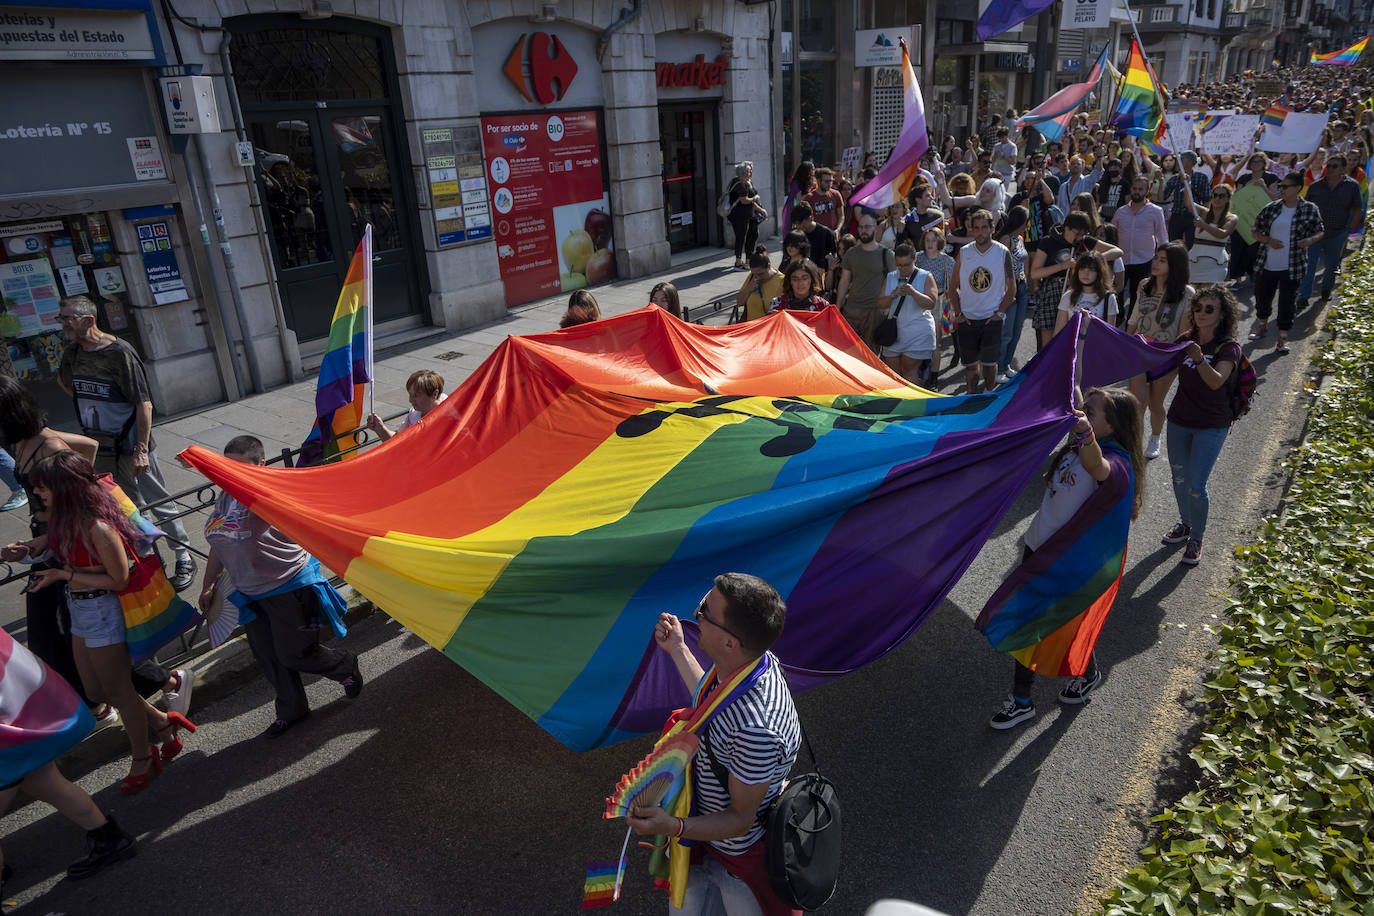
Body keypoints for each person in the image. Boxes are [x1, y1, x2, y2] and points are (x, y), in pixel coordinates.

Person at [0, 377, 191, 733]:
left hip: (67, 546)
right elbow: (88, 445)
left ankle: (148, 697)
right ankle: (144, 705)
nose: (40, 491)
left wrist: (64, 522)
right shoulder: (24, 441)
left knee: (75, 639)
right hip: (50, 542)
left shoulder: (47, 444)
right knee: (65, 639)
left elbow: (83, 470)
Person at [10, 451, 196, 794]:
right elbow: (64, 550)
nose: (39, 494)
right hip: (80, 611)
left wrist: (62, 573)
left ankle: (143, 756)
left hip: (102, 612)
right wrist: (28, 549)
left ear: (65, 488)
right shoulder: (66, 521)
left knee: (119, 692)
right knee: (95, 691)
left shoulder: (97, 526)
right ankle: (161, 722)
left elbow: (120, 579)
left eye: (44, 488)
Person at [625, 574, 801, 916]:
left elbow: (739, 820)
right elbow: (712, 709)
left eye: (705, 611)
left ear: (731, 642)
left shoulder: (757, 730)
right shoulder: (749, 667)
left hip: (734, 861)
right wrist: (678, 648)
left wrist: (670, 825)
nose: (696, 615)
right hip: (704, 842)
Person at [980, 387, 1144, 728]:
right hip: (1037, 547)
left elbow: (1096, 465)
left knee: (1032, 622)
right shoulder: (1075, 446)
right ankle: (1089, 671)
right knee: (1059, 622)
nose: (1082, 412)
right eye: (1084, 407)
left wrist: (1084, 433)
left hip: (1064, 561)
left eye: (1092, 412)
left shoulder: (1115, 463)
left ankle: (1022, 701)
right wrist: (1073, 345)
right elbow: (1073, 385)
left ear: (1111, 427)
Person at [198, 436, 362, 739]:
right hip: (249, 592)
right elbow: (218, 542)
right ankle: (292, 710)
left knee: (294, 654)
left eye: (238, 465)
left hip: (287, 586)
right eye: (226, 465)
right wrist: (209, 585)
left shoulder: (266, 489)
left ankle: (345, 664)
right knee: (269, 657)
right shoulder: (224, 496)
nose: (230, 472)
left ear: (260, 465)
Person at [56, 296, 197, 592]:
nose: (63, 324)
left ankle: (183, 554)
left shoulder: (120, 352)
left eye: (68, 318)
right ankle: (147, 561)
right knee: (124, 507)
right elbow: (66, 383)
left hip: (132, 444)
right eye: (62, 318)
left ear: (89, 320)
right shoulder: (72, 353)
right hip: (100, 447)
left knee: (158, 501)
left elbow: (143, 404)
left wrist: (141, 450)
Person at [0, 628, 136, 886]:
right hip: (18, 723)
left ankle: (110, 838)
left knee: (47, 782)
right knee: (47, 783)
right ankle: (109, 837)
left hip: (7, 739)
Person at [1163, 285, 1242, 567]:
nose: (1202, 313)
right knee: (1179, 478)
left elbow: (1215, 381)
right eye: (1198, 307)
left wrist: (1198, 357)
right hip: (1179, 421)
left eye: (1210, 309)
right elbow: (1164, 368)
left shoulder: (1228, 348)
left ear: (1222, 315)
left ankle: (1196, 537)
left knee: (1197, 485)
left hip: (1211, 425)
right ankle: (1185, 524)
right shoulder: (1186, 339)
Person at [1128, 243, 1194, 460]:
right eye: (1156, 258)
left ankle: (1155, 437)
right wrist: (1125, 342)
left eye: (1162, 260)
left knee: (1154, 403)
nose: (1155, 263)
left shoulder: (1187, 293)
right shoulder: (1144, 285)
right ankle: (1134, 443)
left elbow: (1184, 330)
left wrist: (1175, 354)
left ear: (1174, 265)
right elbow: (1135, 317)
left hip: (1166, 355)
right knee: (1136, 403)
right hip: (1139, 350)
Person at [1027, 213, 1124, 350]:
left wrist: (1092, 259)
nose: (1079, 238)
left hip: (1078, 290)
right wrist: (1062, 266)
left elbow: (1118, 251)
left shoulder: (1086, 241)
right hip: (1052, 290)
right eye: (1076, 233)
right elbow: (1034, 273)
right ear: (1066, 228)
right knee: (1048, 340)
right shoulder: (1048, 242)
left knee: (1074, 336)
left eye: (1083, 234)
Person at [1251, 175, 1324, 353]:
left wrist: (1309, 240)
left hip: (1293, 265)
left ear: (1298, 187)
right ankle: (1262, 325)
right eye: (1280, 186)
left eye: (1285, 186)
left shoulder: (1309, 209)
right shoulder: (1272, 207)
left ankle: (1283, 338)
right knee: (1262, 298)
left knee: (1287, 303)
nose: (1281, 190)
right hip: (1267, 263)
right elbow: (1255, 230)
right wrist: (1268, 240)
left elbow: (1320, 230)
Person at [948, 209, 1014, 395]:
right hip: (967, 319)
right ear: (972, 230)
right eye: (976, 228)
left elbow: (1012, 288)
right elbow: (952, 286)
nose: (980, 232)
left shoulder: (1002, 252)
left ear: (992, 228)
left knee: (989, 364)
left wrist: (1000, 313)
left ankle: (987, 395)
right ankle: (971, 399)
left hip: (991, 318)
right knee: (970, 367)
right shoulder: (964, 252)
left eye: (984, 227)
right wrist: (959, 313)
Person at [1299, 151, 1363, 308]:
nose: (1330, 169)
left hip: (1337, 233)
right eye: (1329, 166)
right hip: (1314, 233)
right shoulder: (1315, 186)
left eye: (1335, 166)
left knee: (1332, 267)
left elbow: (1357, 208)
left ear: (1343, 169)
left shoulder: (1352, 186)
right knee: (1309, 265)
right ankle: (1303, 296)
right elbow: (1306, 207)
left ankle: (1326, 291)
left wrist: (1350, 227)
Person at [877, 242, 940, 384]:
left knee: (909, 370)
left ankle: (912, 405)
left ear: (914, 260)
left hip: (917, 332)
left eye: (906, 265)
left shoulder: (925, 276)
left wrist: (913, 293)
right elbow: (880, 303)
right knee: (894, 374)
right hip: (894, 333)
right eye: (899, 265)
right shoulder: (891, 276)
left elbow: (931, 303)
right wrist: (891, 296)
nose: (902, 269)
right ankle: (900, 403)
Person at [1111, 176, 1168, 325]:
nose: (1137, 192)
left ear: (1146, 190)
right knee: (1117, 293)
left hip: (1144, 260)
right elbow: (1111, 236)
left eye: (1140, 189)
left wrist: (1165, 261)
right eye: (1135, 188)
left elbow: (1162, 237)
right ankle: (1116, 322)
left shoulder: (1156, 211)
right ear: (1131, 189)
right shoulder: (1121, 211)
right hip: (1121, 261)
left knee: (1137, 297)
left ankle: (1131, 327)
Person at [835, 211, 894, 350]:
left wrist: (888, 308)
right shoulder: (851, 253)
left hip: (874, 313)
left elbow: (893, 282)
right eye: (861, 227)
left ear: (875, 227)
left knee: (871, 355)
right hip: (851, 311)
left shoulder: (886, 254)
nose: (863, 230)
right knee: (849, 352)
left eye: (867, 227)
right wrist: (838, 306)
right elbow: (844, 281)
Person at [994, 206, 1030, 382]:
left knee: (1017, 329)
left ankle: (1006, 365)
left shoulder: (1020, 238)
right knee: (1006, 331)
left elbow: (1024, 260)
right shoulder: (1006, 239)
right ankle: (998, 368)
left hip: (1022, 284)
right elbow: (999, 266)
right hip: (1010, 287)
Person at [916, 226, 956, 384]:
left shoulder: (948, 261)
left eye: (934, 240)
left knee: (935, 343)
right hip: (919, 303)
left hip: (938, 303)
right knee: (918, 340)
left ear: (939, 241)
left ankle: (933, 379)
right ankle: (919, 372)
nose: (930, 243)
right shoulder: (918, 258)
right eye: (927, 240)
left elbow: (953, 288)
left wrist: (953, 309)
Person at [366, 369, 446, 441]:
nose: (410, 400)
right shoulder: (414, 413)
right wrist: (380, 428)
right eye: (410, 394)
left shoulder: (450, 414)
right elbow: (397, 440)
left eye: (416, 395)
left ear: (435, 394)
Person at [1053, 252, 1119, 336]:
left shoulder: (1109, 298)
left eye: (1091, 270)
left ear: (1099, 273)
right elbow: (1059, 331)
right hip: (1072, 347)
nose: (1086, 274)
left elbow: (1111, 333)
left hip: (1097, 346)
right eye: (1082, 269)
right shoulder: (1068, 296)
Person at [1190, 183, 1238, 285]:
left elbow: (1223, 234)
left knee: (1210, 295)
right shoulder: (1204, 212)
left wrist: (1203, 225)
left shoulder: (1232, 218)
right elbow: (1189, 203)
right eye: (1215, 195)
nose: (1217, 198)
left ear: (1228, 198)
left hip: (1216, 264)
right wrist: (1187, 184)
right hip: (1195, 261)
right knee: (1192, 295)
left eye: (1221, 196)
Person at [1163, 152, 1211, 248]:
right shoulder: (1174, 179)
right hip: (1176, 216)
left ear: (1189, 162)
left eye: (1181, 159)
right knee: (1173, 246)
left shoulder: (1201, 177)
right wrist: (1161, 182)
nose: (1177, 162)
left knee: (1192, 245)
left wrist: (1205, 218)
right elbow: (1163, 197)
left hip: (1193, 217)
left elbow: (1206, 200)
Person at [727, 162, 765, 269]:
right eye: (748, 171)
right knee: (741, 237)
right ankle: (738, 262)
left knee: (745, 236)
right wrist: (755, 198)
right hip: (739, 216)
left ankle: (745, 261)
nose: (750, 173)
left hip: (744, 215)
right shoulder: (740, 184)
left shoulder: (742, 182)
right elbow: (744, 200)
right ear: (742, 173)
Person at [792, 202, 838, 290]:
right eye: (796, 224)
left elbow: (833, 261)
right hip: (801, 280)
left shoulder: (827, 234)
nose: (798, 226)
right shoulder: (796, 235)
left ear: (810, 218)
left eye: (800, 223)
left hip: (822, 282)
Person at [736, 247, 785, 322]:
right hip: (751, 328)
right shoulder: (752, 277)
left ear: (769, 266)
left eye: (761, 274)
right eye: (755, 274)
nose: (758, 277)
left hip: (768, 329)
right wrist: (749, 289)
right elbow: (739, 302)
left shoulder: (782, 281)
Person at [804, 166, 845, 232]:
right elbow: (806, 220)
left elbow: (841, 216)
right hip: (817, 235)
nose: (829, 184)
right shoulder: (809, 198)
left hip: (833, 234)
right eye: (826, 181)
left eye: (831, 181)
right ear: (818, 181)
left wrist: (838, 230)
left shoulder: (836, 194)